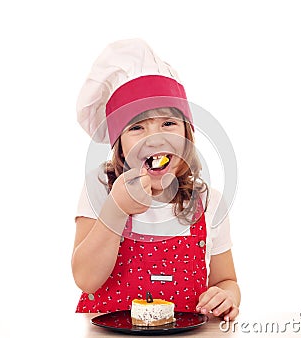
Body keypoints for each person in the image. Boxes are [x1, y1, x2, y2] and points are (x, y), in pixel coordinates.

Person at [72, 39, 240, 321]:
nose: (155, 137)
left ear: (187, 135)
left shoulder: (209, 201)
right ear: (120, 145)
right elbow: (86, 278)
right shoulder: (100, 187)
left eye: (168, 123)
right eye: (137, 127)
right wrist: (116, 209)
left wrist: (228, 296)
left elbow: (227, 281)